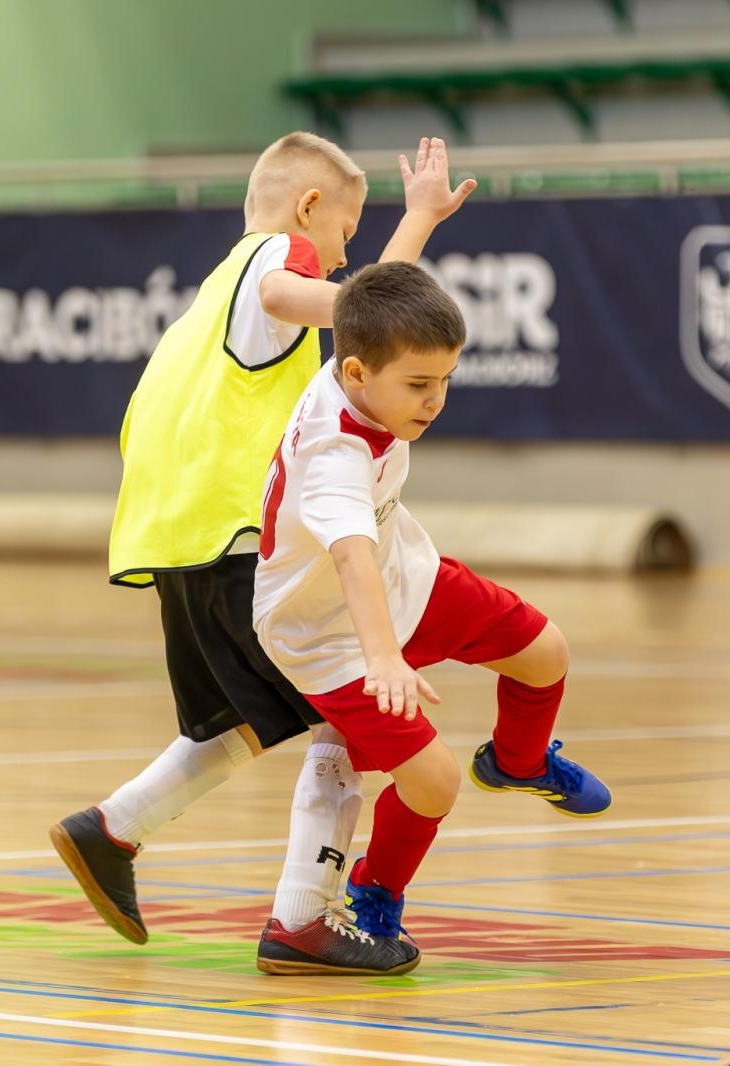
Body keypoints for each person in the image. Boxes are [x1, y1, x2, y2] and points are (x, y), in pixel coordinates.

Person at [48, 132, 476, 976]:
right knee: (345, 712)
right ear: (309, 209)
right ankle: (303, 920)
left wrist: (418, 221)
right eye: (345, 234)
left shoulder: (214, 288)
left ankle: (112, 829)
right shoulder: (276, 259)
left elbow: (357, 316)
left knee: (248, 718)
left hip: (178, 535)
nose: (344, 257)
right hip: (241, 532)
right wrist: (416, 232)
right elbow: (352, 311)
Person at [250, 261, 611, 974]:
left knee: (545, 653)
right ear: (358, 374)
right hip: (328, 634)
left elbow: (371, 294)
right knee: (435, 782)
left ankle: (517, 763)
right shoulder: (335, 454)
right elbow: (351, 558)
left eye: (446, 379)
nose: (435, 400)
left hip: (402, 573)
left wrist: (419, 218)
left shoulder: (359, 358)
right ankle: (376, 894)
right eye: (419, 384)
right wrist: (384, 657)